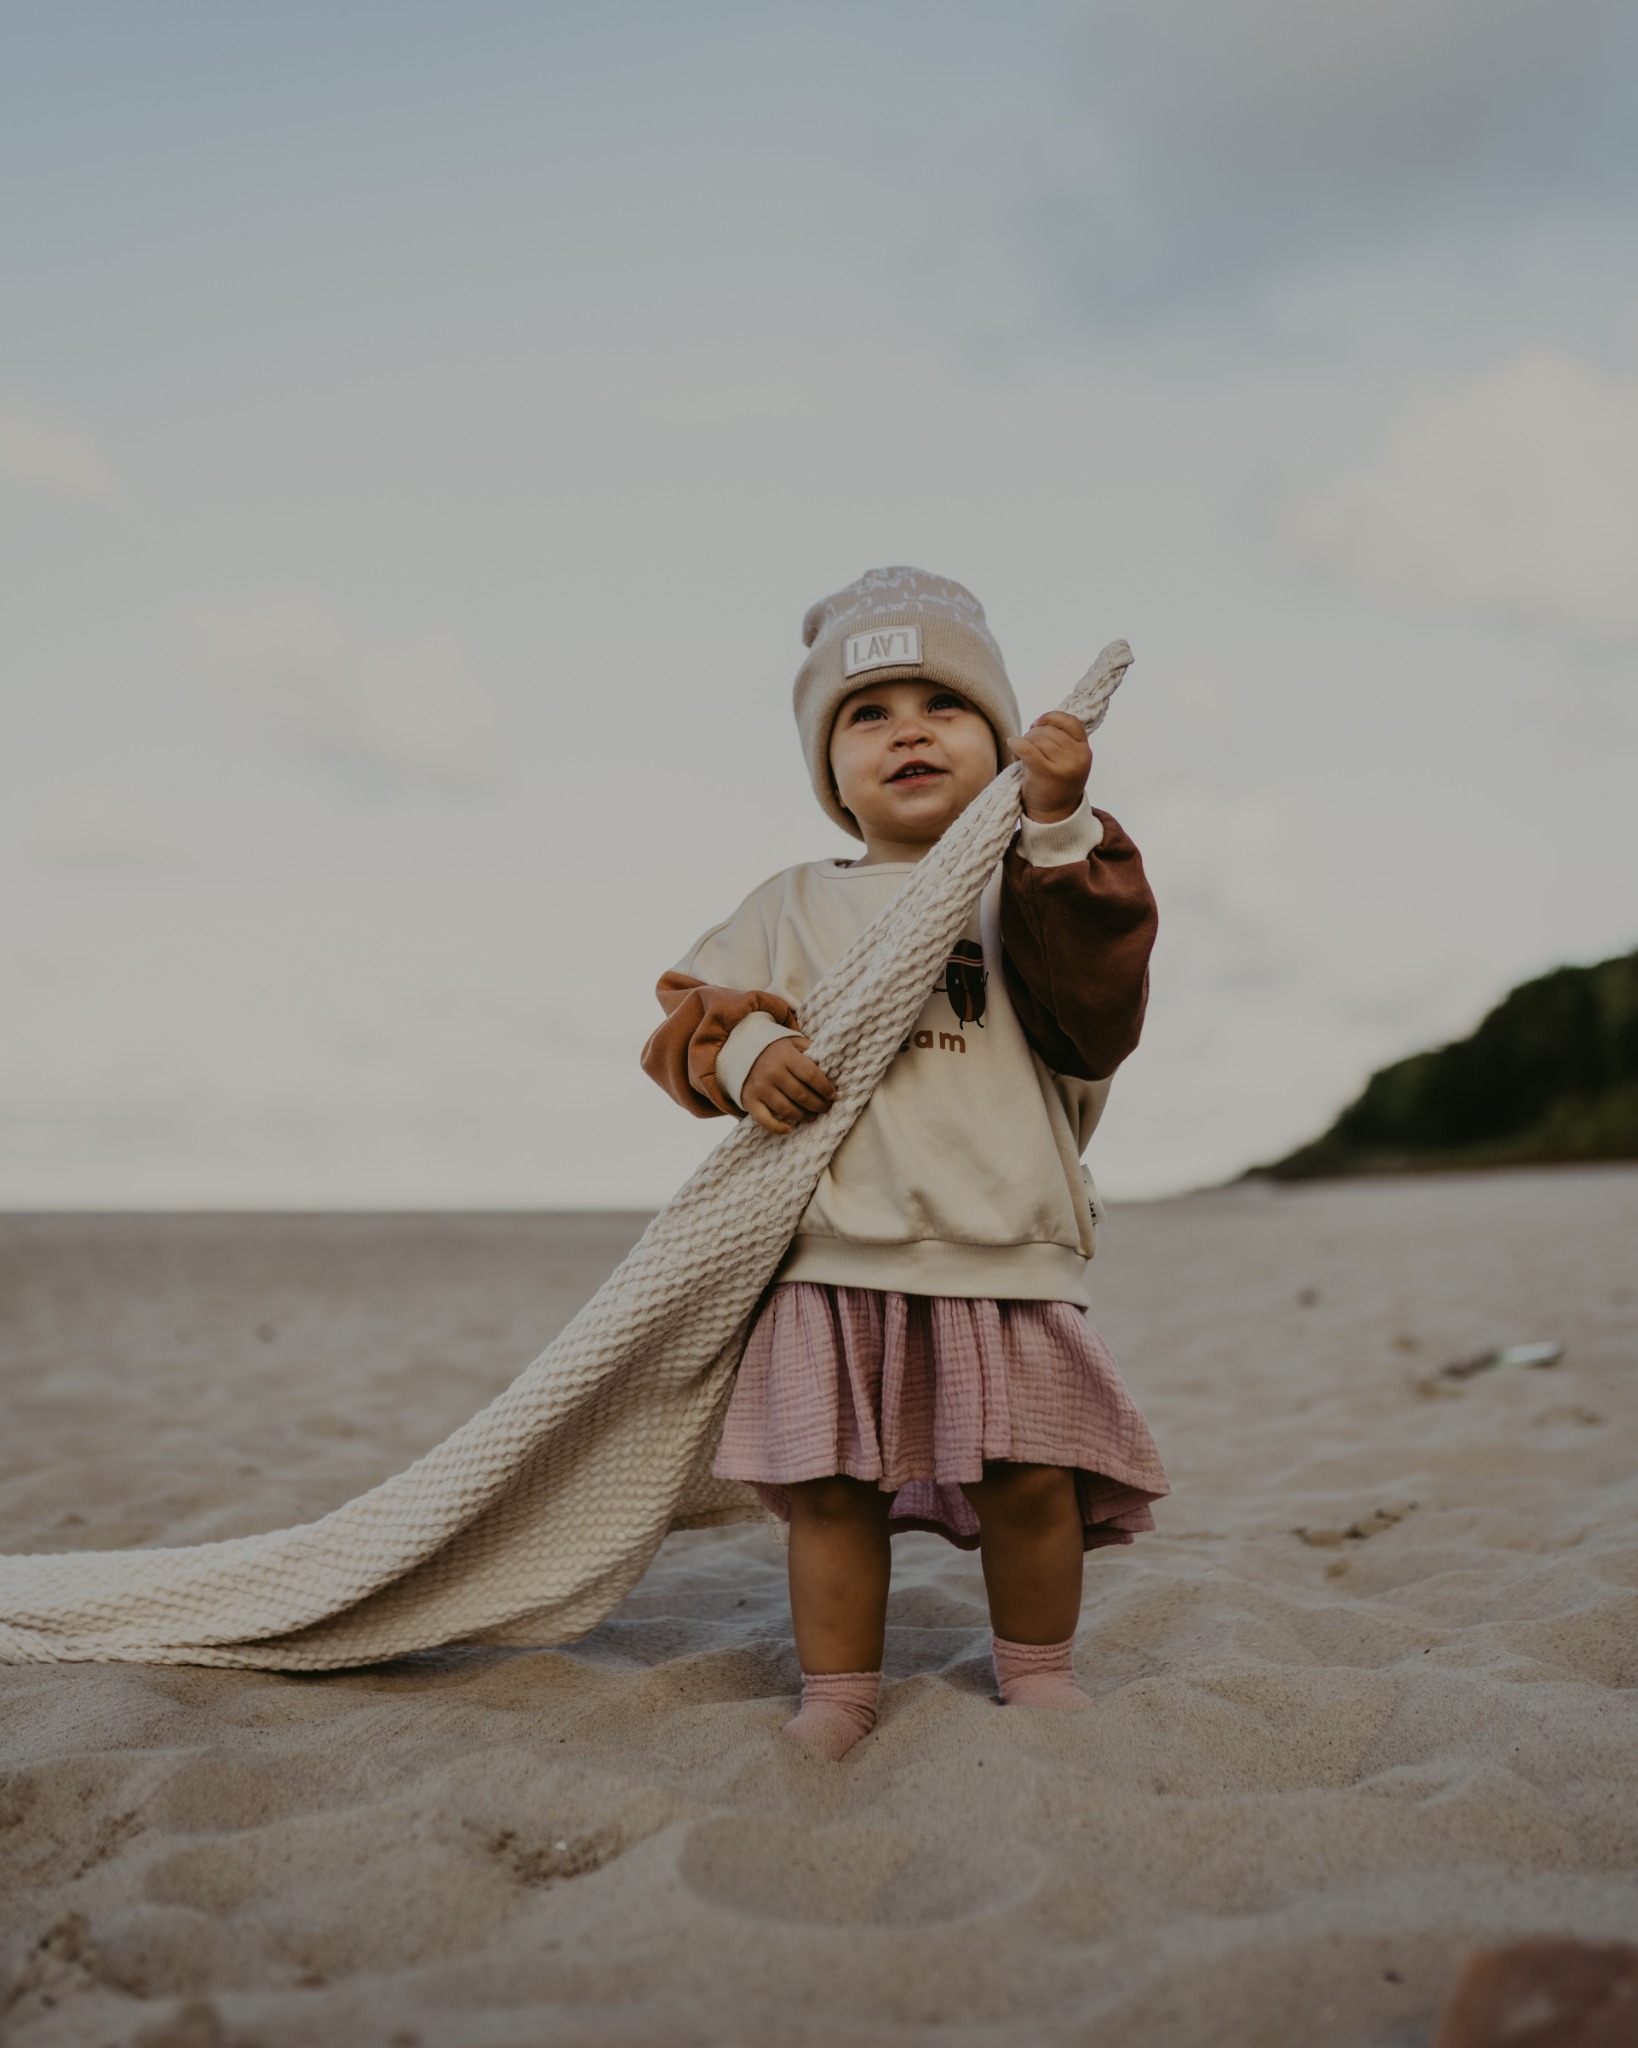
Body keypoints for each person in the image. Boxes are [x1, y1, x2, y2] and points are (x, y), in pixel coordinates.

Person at [641, 566, 1167, 1760]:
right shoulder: (789, 901)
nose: (910, 728)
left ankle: (1035, 1669)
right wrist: (753, 1050)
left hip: (1002, 1240)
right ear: (829, 772)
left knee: (1033, 1475)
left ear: (1005, 737)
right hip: (835, 1248)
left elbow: (1099, 999)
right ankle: (839, 1690)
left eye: (945, 702)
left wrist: (1061, 824)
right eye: (867, 713)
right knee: (833, 1491)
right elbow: (695, 1014)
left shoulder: (1026, 886)